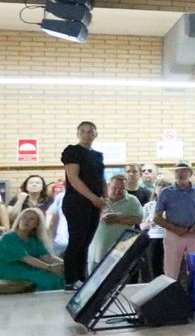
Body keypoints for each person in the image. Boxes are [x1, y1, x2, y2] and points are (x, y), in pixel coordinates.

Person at [59, 120, 105, 285]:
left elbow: (101, 178)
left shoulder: (98, 155)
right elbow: (73, 178)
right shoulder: (72, 151)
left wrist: (104, 198)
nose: (87, 134)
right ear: (78, 134)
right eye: (83, 131)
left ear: (95, 134)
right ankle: (70, 279)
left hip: (94, 203)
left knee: (86, 242)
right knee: (76, 240)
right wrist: (92, 197)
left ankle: (82, 277)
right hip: (76, 202)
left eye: (90, 131)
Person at [152, 162, 195, 281]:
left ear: (190, 173)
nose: (181, 174)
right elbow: (156, 217)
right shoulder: (166, 192)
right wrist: (174, 228)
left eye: (184, 171)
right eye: (178, 171)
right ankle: (170, 297)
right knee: (171, 271)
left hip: (194, 234)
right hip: (173, 234)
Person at [0, 208, 65, 291]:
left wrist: (65, 264)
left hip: (27, 269)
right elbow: (26, 259)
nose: (26, 221)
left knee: (59, 277)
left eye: (31, 219)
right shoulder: (9, 237)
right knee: (48, 279)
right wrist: (50, 267)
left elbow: (46, 256)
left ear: (36, 225)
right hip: (10, 270)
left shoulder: (34, 240)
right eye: (24, 217)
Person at [88, 173, 144, 268]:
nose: (117, 191)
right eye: (114, 188)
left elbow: (138, 219)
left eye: (121, 189)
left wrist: (117, 219)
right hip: (96, 251)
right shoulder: (98, 199)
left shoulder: (132, 201)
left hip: (120, 251)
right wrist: (100, 216)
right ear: (109, 185)